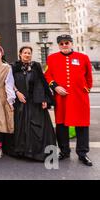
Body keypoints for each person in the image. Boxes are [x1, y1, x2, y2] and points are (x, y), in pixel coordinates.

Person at [44, 34, 93, 166]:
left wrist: (85, 90)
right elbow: (47, 75)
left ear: (71, 43)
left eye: (67, 43)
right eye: (62, 43)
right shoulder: (51, 58)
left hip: (79, 98)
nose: (64, 45)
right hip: (61, 98)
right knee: (61, 126)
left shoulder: (83, 57)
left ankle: (82, 153)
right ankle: (64, 151)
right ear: (58, 45)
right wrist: (55, 87)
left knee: (82, 126)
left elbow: (89, 77)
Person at [9, 46, 56, 161]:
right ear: (20, 54)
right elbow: (9, 82)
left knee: (37, 126)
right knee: (21, 127)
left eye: (29, 53)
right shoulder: (13, 66)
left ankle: (36, 153)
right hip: (20, 101)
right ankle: (22, 151)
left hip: (34, 101)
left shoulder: (36, 66)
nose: (27, 55)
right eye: (25, 53)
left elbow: (42, 83)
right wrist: (17, 93)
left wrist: (44, 98)